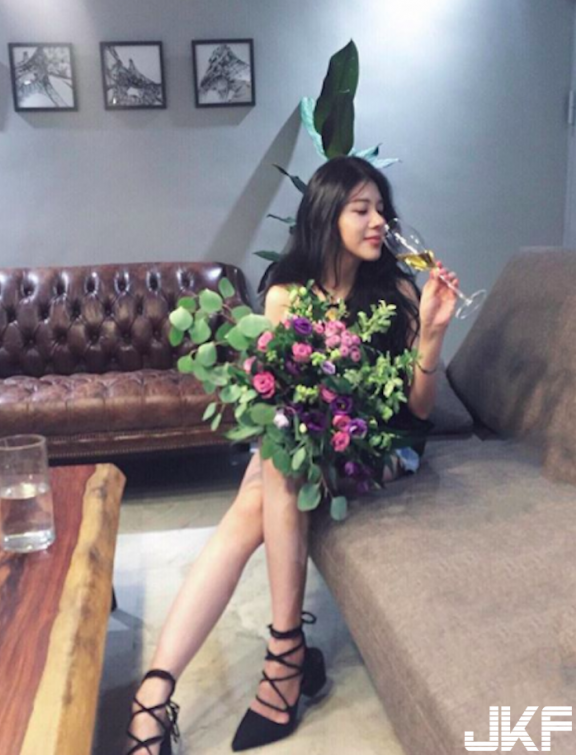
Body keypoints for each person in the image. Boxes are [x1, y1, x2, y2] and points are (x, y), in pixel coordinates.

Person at [124, 156, 459, 754]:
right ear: (326, 215)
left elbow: (417, 411)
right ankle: (229, 673)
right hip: (308, 442)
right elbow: (283, 397)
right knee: (271, 470)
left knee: (273, 469)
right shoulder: (285, 292)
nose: (378, 221)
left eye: (382, 210)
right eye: (362, 209)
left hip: (384, 446)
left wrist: (431, 336)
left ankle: (191, 690)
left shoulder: (398, 289)